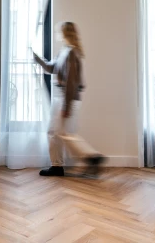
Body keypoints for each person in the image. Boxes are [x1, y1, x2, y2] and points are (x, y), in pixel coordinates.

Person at [33, 22, 105, 177]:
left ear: (64, 32)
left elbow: (71, 82)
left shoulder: (71, 52)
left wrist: (66, 106)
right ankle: (63, 164)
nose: (57, 33)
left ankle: (90, 157)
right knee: (59, 132)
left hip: (66, 97)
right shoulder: (64, 51)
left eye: (59, 31)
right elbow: (51, 68)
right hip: (62, 97)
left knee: (58, 132)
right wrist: (36, 58)